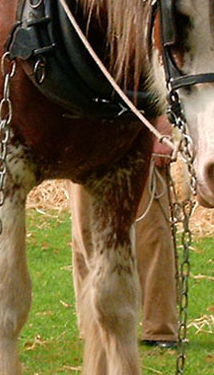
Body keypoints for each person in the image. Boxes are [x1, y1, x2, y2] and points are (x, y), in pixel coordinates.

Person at [69, 118, 178, 347]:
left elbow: (160, 82)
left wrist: (162, 131)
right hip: (85, 128)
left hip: (140, 129)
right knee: (86, 232)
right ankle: (93, 323)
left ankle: (160, 328)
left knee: (153, 232)